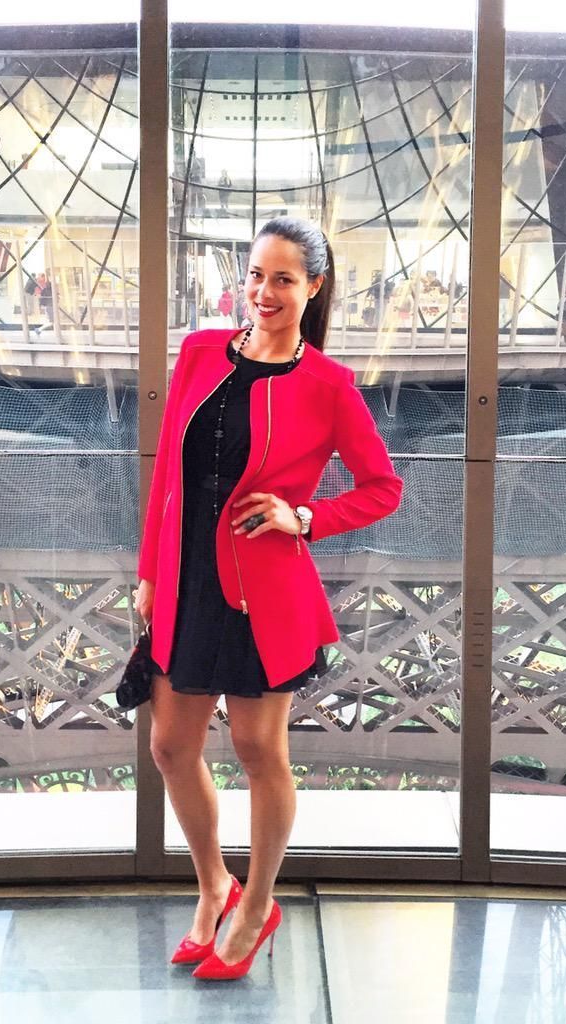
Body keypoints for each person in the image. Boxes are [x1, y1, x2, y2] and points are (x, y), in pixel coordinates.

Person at [134, 216, 402, 981]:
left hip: (263, 594)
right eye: (256, 275)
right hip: (185, 581)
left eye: (283, 278)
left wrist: (305, 517)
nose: (264, 291)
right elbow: (167, 473)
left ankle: (255, 907)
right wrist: (149, 572)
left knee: (259, 751)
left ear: (313, 286)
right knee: (169, 747)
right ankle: (213, 886)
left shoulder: (329, 386)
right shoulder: (197, 353)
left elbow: (383, 487)